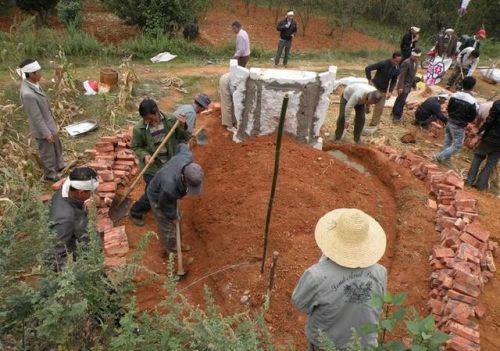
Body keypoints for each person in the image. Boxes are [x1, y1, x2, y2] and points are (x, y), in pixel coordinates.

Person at [292, 208, 387, 350]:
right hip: (365, 345)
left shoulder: (316, 276)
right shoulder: (380, 272)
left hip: (326, 345)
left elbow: (300, 303)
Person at [129, 99, 189, 226]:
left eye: (150, 118)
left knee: (165, 191)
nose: (148, 122)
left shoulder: (171, 120)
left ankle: (166, 210)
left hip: (168, 164)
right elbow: (135, 147)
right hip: (153, 168)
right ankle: (136, 211)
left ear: (156, 111)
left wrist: (182, 125)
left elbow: (182, 137)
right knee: (152, 192)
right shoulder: (139, 128)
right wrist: (145, 156)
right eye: (145, 119)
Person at [147, 143, 204, 257]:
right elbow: (164, 205)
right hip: (157, 196)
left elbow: (181, 145)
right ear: (183, 179)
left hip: (168, 192)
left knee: (178, 218)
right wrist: (173, 216)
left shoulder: (187, 156)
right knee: (168, 225)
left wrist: (173, 160)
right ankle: (171, 253)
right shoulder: (169, 187)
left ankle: (179, 244)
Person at [18, 58, 65, 182]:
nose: (41, 74)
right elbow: (36, 117)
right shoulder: (28, 94)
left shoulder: (34, 84)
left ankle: (59, 165)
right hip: (42, 128)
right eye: (38, 72)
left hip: (49, 122)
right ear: (31, 74)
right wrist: (46, 133)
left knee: (56, 145)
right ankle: (50, 174)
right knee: (47, 152)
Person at [49, 167, 99, 270]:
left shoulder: (67, 186)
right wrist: (82, 271)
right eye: (92, 192)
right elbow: (56, 258)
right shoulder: (65, 219)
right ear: (80, 193)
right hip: (76, 250)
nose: (94, 194)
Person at [436, 76, 478, 165]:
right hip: (459, 126)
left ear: (462, 84)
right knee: (457, 146)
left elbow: (449, 108)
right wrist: (466, 120)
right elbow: (472, 117)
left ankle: (445, 160)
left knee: (448, 141)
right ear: (472, 87)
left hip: (449, 121)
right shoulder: (472, 101)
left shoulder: (455, 95)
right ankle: (440, 156)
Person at [466, 100, 500, 191]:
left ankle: (469, 181)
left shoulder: (497, 104)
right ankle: (480, 186)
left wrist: (479, 133)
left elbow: (489, 122)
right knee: (490, 164)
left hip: (490, 138)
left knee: (478, 157)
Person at [364, 51, 402, 129]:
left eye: (399, 62)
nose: (397, 63)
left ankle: (373, 125)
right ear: (393, 58)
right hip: (374, 87)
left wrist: (390, 91)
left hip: (384, 90)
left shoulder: (397, 68)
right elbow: (368, 68)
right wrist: (369, 80)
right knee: (366, 102)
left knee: (379, 108)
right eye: (396, 61)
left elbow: (394, 80)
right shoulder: (383, 63)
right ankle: (365, 109)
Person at [392, 49, 421, 123]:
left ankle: (394, 113)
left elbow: (413, 75)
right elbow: (402, 76)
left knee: (399, 99)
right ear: (412, 55)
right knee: (401, 101)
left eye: (417, 57)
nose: (416, 58)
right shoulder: (406, 62)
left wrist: (414, 85)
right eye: (415, 56)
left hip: (409, 84)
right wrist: (400, 87)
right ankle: (396, 117)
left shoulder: (416, 62)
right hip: (404, 85)